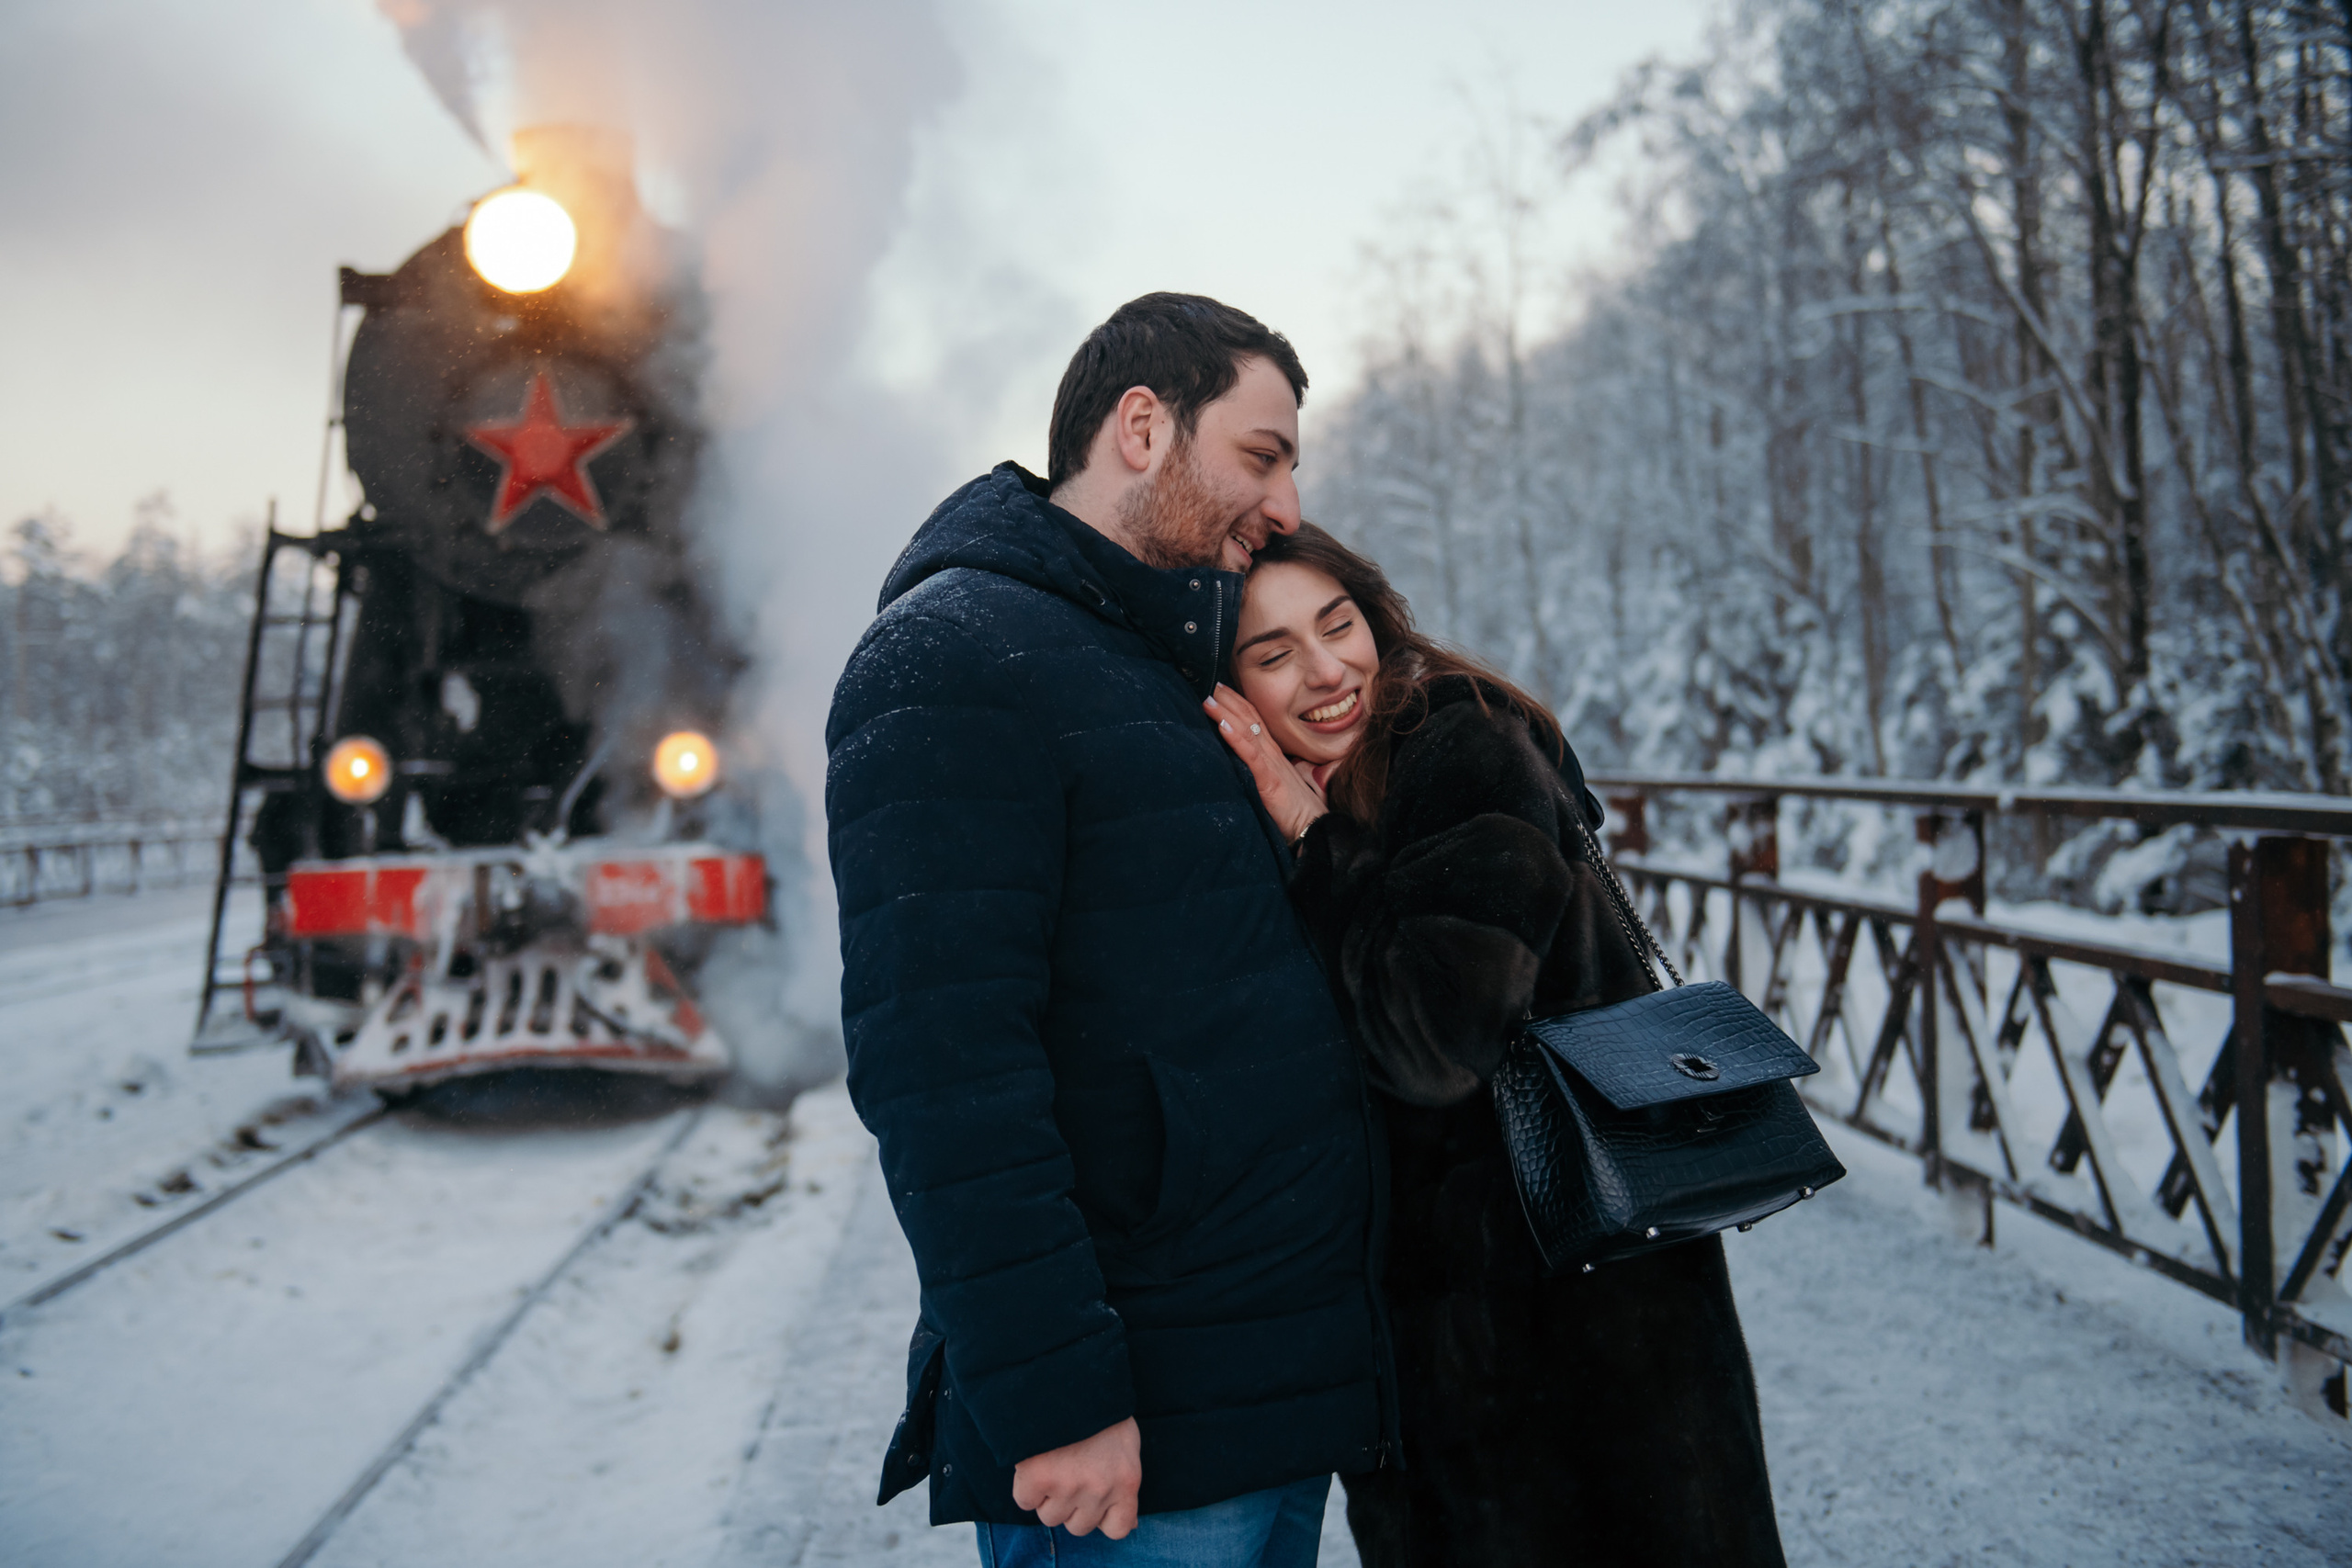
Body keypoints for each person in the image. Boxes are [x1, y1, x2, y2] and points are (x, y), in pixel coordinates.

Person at [825, 295, 1395, 1568]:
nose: (1290, 504)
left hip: (1259, 1390)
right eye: (1262, 453)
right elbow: (941, 1067)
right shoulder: (955, 656)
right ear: (1144, 426)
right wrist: (1060, 1393)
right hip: (1134, 1432)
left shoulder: (1153, 657)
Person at [1205, 524, 1788, 1567]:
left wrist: (1315, 843)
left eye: (1336, 625)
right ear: (1233, 687)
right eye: (1274, 652)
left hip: (1583, 1333)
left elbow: (1433, 1039)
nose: (1326, 669)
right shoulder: (1319, 792)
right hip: (1455, 1346)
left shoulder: (1455, 747)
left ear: (1374, 617)